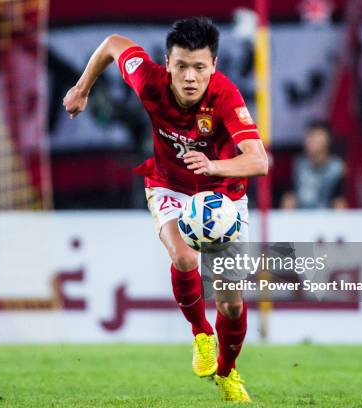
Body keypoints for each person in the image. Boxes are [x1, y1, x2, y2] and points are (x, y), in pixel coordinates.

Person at [63, 17, 268, 403]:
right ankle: (201, 335)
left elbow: (259, 161)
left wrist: (214, 166)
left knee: (231, 301)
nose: (190, 77)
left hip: (223, 197)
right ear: (167, 63)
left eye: (200, 67)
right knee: (185, 257)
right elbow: (112, 43)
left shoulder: (226, 96)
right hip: (169, 185)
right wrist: (81, 87)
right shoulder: (149, 79)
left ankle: (227, 372)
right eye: (181, 66)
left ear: (214, 65)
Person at [280, 121, 347, 209]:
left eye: (317, 136)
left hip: (326, 214)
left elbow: (339, 199)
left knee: (340, 204)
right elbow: (291, 193)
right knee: (287, 199)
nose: (311, 141)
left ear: (328, 140)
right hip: (300, 213)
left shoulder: (337, 167)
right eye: (310, 136)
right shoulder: (299, 163)